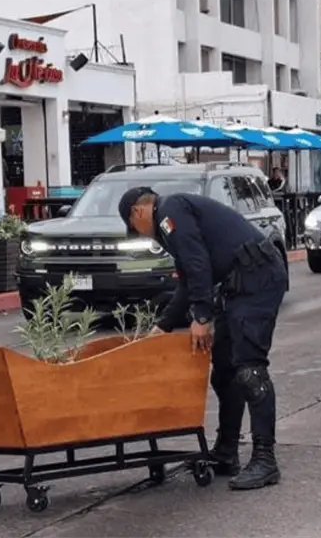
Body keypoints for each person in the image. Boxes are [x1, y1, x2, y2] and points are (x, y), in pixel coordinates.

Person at [118, 186, 288, 491]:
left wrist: (201, 318)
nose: (143, 235)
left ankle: (265, 460)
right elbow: (188, 278)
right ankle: (226, 452)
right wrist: (164, 326)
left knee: (249, 370)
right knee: (224, 373)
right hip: (239, 286)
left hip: (258, 280)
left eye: (135, 229)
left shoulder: (170, 212)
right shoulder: (174, 218)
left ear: (138, 212)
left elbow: (199, 266)